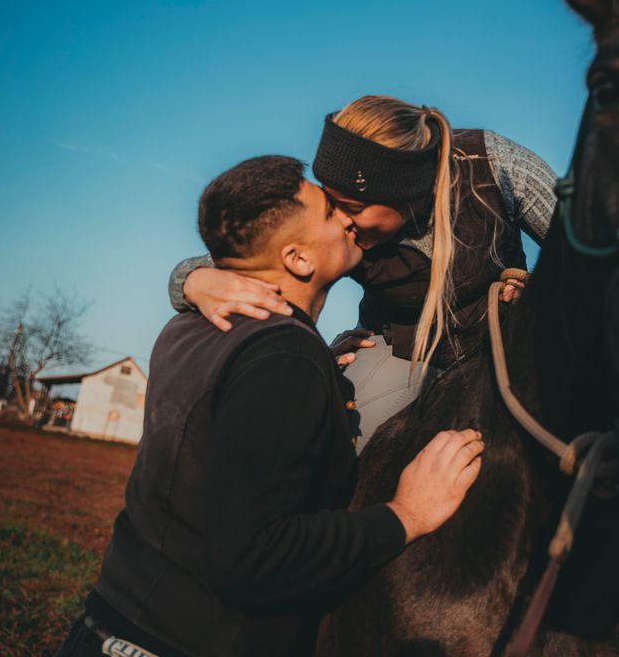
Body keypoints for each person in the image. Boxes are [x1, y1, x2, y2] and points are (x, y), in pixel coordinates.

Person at [57, 156, 484, 657]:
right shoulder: (283, 356)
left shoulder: (189, 327)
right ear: (298, 259)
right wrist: (406, 514)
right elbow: (251, 559)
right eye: (330, 211)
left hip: (107, 627)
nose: (350, 217)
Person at [168, 96, 556, 449]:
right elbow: (247, 258)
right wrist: (195, 281)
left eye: (350, 205)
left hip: (508, 344)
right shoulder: (337, 230)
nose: (335, 219)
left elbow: (588, 251)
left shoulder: (492, 165)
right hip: (402, 354)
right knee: (347, 442)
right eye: (328, 198)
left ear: (404, 195)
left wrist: (537, 285)